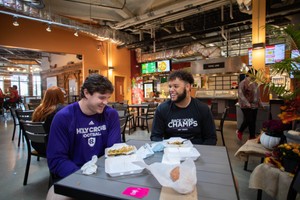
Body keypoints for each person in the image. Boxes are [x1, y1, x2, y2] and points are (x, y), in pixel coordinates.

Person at [47, 74, 121, 180]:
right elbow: (56, 160)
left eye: (108, 98)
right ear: (86, 93)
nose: (106, 102)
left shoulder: (111, 115)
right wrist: (83, 178)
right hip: (73, 174)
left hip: (103, 173)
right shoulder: (63, 117)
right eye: (101, 97)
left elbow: (114, 150)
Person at [150, 70, 217, 145]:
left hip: (196, 151)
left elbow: (211, 138)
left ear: (187, 87)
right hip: (171, 151)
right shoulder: (162, 109)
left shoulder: (202, 109)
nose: (171, 90)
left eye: (176, 86)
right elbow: (155, 136)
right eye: (170, 86)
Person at [31, 86, 65, 154]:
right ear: (60, 96)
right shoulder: (61, 110)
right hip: (52, 146)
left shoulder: (38, 109)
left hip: (37, 144)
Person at [236, 69, 263, 141]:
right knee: (249, 119)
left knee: (253, 121)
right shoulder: (243, 83)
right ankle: (240, 131)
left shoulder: (256, 83)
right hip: (245, 106)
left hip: (255, 105)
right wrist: (247, 104)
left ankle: (252, 136)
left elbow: (257, 95)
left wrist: (260, 103)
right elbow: (241, 95)